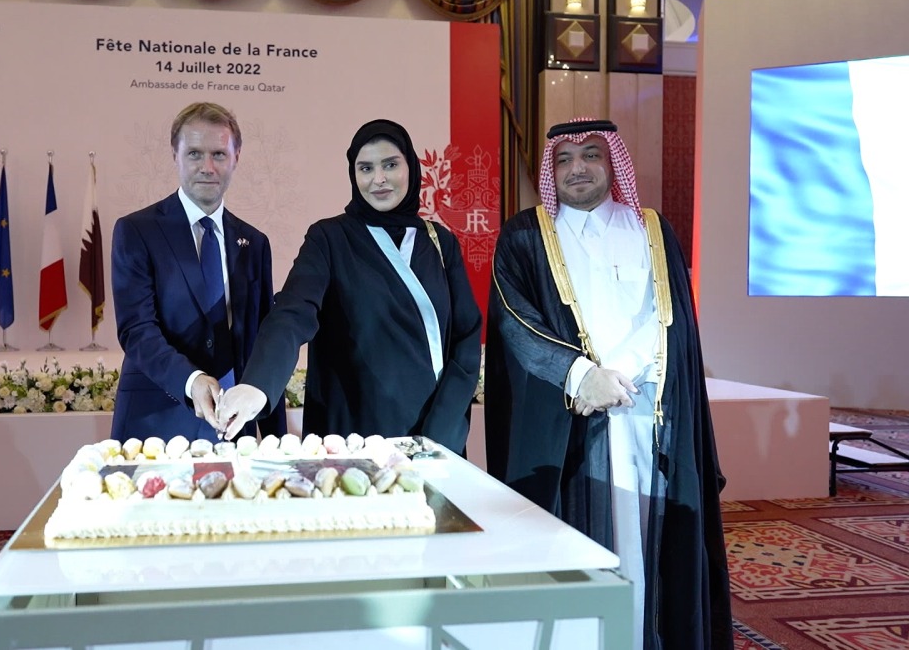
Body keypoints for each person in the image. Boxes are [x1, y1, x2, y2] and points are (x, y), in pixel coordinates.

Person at [484, 118, 732, 649]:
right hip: (569, 420)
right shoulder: (526, 235)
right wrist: (582, 376)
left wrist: (624, 374)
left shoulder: (650, 228)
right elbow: (514, 320)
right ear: (550, 170)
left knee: (650, 541)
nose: (578, 169)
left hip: (647, 415)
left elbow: (671, 319)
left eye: (591, 155)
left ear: (612, 163)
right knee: (575, 540)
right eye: (564, 160)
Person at [215, 119, 482, 453]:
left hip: (434, 435)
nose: (379, 179)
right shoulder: (330, 238)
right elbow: (292, 313)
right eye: (365, 168)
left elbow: (466, 340)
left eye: (390, 165)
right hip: (353, 438)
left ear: (412, 168)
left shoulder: (440, 242)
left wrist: (444, 428)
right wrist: (257, 385)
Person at [110, 102, 284, 442]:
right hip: (156, 426)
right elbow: (137, 331)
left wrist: (274, 436)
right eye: (194, 154)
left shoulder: (255, 243)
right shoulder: (136, 231)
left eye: (219, 154)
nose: (207, 167)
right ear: (175, 155)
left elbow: (263, 341)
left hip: (234, 430)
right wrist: (192, 381)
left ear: (237, 157)